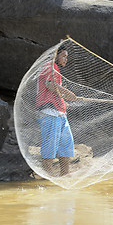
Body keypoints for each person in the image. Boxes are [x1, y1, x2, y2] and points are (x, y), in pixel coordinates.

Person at [36, 45, 77, 176]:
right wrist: (68, 93)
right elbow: (50, 85)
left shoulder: (56, 69)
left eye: (67, 57)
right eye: (64, 56)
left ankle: (65, 175)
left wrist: (64, 101)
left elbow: (54, 91)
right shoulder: (50, 66)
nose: (66, 59)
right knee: (49, 148)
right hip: (49, 114)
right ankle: (47, 177)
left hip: (60, 114)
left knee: (66, 146)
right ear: (56, 55)